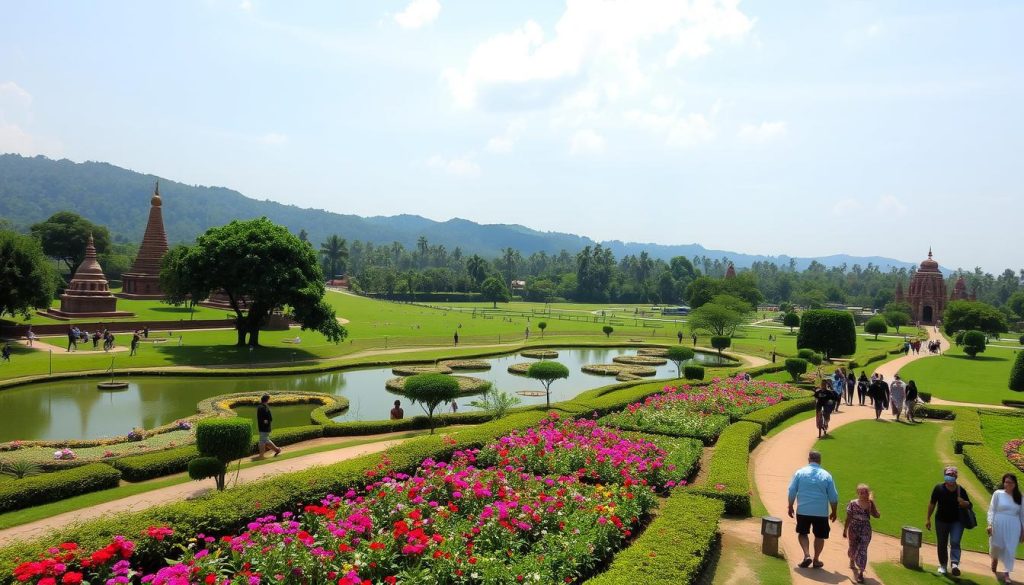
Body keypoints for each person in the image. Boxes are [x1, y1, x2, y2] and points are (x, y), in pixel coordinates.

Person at [788, 450, 840, 570]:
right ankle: (816, 560)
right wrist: (834, 511)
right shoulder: (826, 475)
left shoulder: (800, 473)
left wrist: (790, 505)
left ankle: (807, 555)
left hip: (803, 509)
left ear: (809, 459)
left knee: (802, 533)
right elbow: (833, 496)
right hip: (821, 512)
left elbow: (792, 490)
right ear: (820, 461)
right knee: (820, 536)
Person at [926, 465, 972, 576]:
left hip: (957, 521)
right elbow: (932, 504)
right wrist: (928, 518)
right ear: (944, 476)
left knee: (955, 541)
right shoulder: (938, 488)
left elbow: (970, 505)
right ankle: (943, 565)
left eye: (952, 475)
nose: (950, 477)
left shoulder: (961, 490)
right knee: (942, 543)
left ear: (956, 477)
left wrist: (964, 503)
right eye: (948, 475)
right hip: (941, 520)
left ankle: (954, 564)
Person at [987, 473, 1024, 584]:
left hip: (1014, 525)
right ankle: (995, 558)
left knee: (1010, 548)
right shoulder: (998, 494)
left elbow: (1022, 515)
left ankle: (1007, 573)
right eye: (1006, 482)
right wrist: (990, 524)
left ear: (1015, 484)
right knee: (996, 545)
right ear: (1003, 483)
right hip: (998, 523)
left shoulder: (1020, 497)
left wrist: (1023, 530)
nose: (1008, 484)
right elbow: (992, 510)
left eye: (1010, 482)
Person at [843, 483, 881, 583]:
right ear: (857, 493)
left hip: (865, 529)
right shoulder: (852, 503)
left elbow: (877, 515)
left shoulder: (870, 503)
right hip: (853, 528)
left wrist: (872, 503)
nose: (864, 494)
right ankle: (852, 559)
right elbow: (848, 518)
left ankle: (861, 572)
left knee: (863, 550)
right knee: (853, 547)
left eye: (866, 492)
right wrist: (845, 530)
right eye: (861, 492)